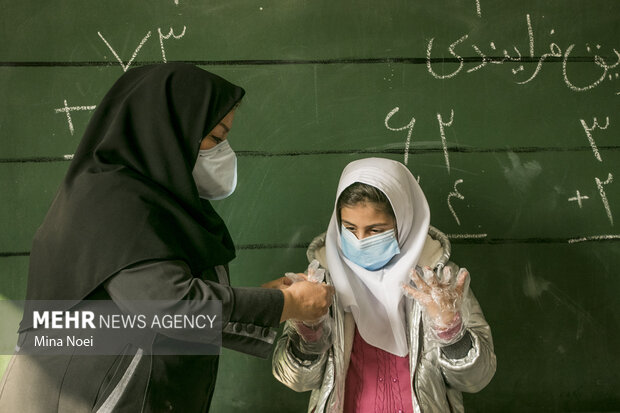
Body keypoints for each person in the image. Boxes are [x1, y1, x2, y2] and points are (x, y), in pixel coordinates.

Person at [0, 63, 332, 412]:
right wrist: (285, 305)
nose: (224, 152)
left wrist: (268, 303)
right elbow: (168, 306)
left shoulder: (149, 200)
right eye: (216, 138)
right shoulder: (114, 201)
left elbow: (164, 313)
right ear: (170, 129)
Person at [273, 157, 496, 412]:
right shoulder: (319, 283)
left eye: (375, 230)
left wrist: (451, 332)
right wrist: (310, 335)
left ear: (403, 223)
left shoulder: (440, 282)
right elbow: (297, 381)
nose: (359, 240)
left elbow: (476, 379)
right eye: (349, 228)